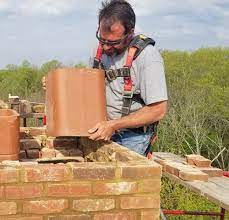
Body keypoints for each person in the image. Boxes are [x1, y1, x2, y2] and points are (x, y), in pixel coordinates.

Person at [88, 0, 168, 156]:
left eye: (113, 43)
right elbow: (88, 88)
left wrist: (114, 125)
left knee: (123, 180)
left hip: (133, 137)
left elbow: (158, 110)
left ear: (130, 33)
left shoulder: (147, 56)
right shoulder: (98, 50)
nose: (105, 47)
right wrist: (54, 86)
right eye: (102, 40)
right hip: (102, 131)